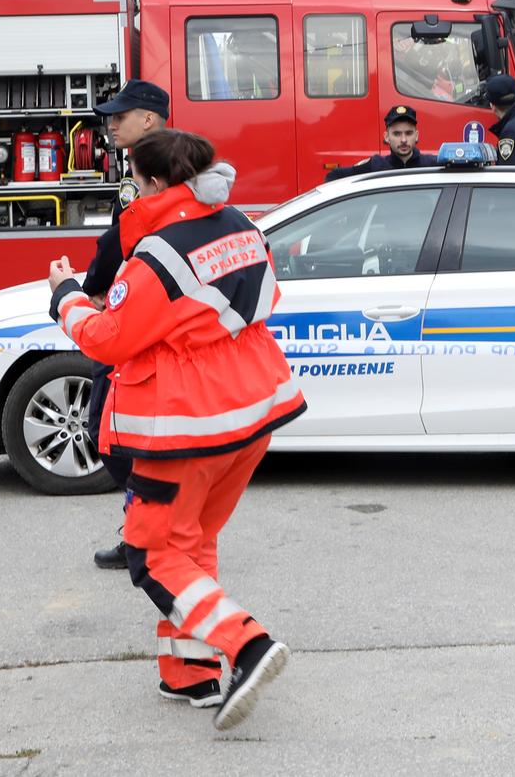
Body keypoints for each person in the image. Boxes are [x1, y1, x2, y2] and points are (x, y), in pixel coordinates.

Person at [47, 130, 304, 732]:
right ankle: (190, 673)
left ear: (156, 181)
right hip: (251, 411)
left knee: (154, 555)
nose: (132, 188)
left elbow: (109, 338)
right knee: (192, 542)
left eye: (135, 178)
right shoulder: (240, 222)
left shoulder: (158, 253)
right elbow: (264, 295)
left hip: (184, 423)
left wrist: (65, 297)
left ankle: (246, 645)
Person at [79, 79, 170, 570]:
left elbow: (122, 240)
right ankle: (145, 531)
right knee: (122, 434)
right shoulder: (151, 167)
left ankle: (151, 533)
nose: (111, 123)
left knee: (107, 429)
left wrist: (92, 287)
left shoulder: (154, 173)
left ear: (150, 119)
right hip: (134, 309)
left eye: (121, 114)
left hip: (134, 317)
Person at [324, 105, 441, 180]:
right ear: (386, 137)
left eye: (408, 133)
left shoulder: (433, 164)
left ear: (416, 135)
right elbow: (334, 176)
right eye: (397, 134)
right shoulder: (376, 165)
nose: (404, 140)